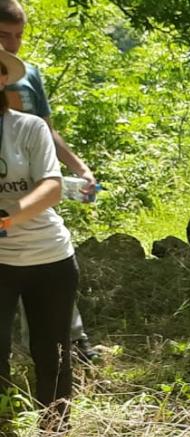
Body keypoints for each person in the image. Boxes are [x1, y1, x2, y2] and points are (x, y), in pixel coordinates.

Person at [0, 0, 99, 363]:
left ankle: (70, 344)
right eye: (3, 35)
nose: (12, 44)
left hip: (33, 194)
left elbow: (48, 131)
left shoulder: (29, 75)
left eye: (19, 36)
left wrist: (80, 169)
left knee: (44, 259)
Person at [0, 45, 77, 437]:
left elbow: (52, 186)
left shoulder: (28, 128)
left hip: (48, 257)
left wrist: (8, 218)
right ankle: (4, 436)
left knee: (52, 354)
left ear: (3, 77)